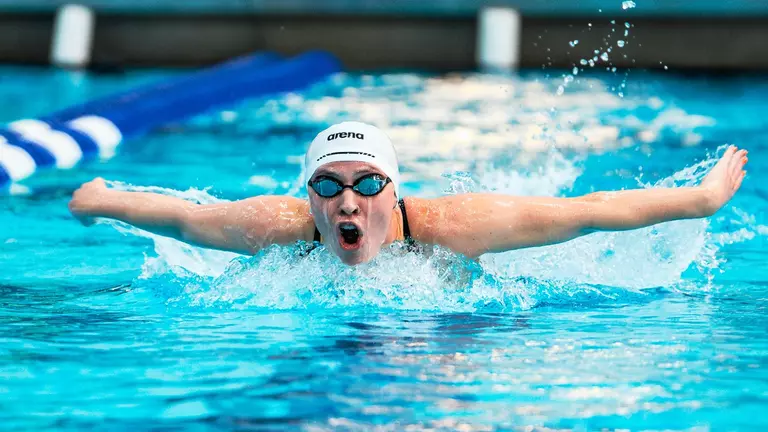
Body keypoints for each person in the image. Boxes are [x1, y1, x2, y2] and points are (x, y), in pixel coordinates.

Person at [69, 121, 748, 266]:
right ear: (307, 198)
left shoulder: (462, 225)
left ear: (395, 194)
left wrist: (701, 201)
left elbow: (587, 214)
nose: (347, 202)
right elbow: (182, 218)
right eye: (328, 187)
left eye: (367, 184)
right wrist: (97, 198)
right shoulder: (272, 227)